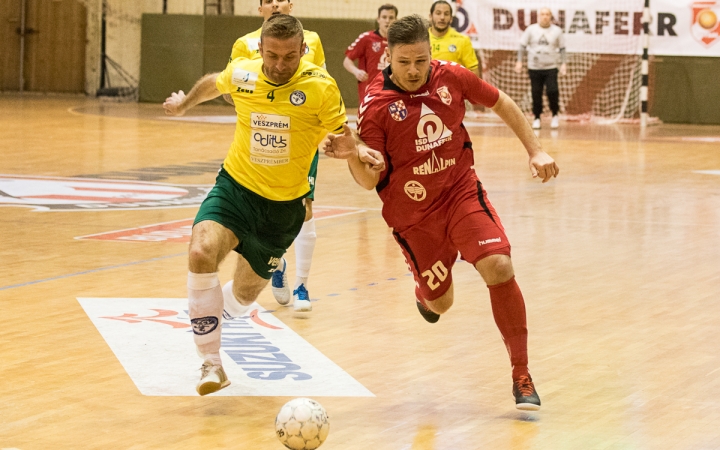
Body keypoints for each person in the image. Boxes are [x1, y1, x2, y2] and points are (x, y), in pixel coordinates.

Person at [322, 14, 559, 411]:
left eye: (421, 60)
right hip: (414, 219)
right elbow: (368, 180)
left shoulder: (452, 76)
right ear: (388, 61)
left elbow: (501, 102)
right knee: (440, 304)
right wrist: (352, 154)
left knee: (499, 266)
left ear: (430, 53)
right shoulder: (376, 104)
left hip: (460, 193)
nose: (414, 71)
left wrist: (535, 150)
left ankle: (521, 373)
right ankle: (426, 292)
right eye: (404, 63)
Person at [163, 14, 347, 395]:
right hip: (236, 188)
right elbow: (215, 82)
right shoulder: (244, 72)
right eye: (273, 56)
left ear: (303, 52)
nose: (280, 65)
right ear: (260, 49)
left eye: (290, 57)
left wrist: (355, 149)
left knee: (244, 296)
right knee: (200, 252)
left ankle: (213, 314)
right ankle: (211, 364)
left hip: (282, 208)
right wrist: (184, 104)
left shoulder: (321, 88)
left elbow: (344, 134)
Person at [230, 0, 327, 311]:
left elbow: (322, 84)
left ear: (290, 4)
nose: (274, 3)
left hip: (300, 139)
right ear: (260, 9)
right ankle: (277, 263)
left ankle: (302, 285)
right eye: (267, 0)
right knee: (259, 211)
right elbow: (234, 88)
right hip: (261, 140)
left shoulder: (311, 39)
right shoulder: (243, 44)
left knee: (305, 206)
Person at [428, 1, 485, 117]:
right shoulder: (421, 39)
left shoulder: (462, 40)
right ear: (430, 16)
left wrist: (473, 96)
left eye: (446, 14)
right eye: (438, 13)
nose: (442, 17)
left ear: (451, 18)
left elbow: (473, 70)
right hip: (424, 97)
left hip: (451, 99)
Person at [514, 7, 567, 130]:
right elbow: (522, 46)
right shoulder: (531, 30)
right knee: (536, 92)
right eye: (542, 14)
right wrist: (519, 61)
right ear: (539, 16)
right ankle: (537, 117)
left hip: (551, 67)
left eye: (547, 14)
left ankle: (555, 114)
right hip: (534, 67)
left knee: (552, 91)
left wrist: (564, 63)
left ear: (550, 16)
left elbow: (562, 48)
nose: (545, 16)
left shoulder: (557, 31)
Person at [343, 4, 398, 100]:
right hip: (369, 91)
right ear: (378, 19)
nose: (387, 21)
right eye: (384, 17)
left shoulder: (400, 41)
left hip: (392, 90)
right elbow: (347, 61)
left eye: (391, 17)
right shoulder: (366, 38)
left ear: (396, 20)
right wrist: (356, 72)